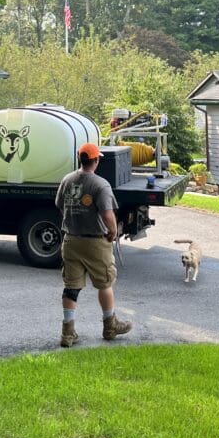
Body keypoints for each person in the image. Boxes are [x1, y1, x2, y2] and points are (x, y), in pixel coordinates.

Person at [55, 141, 133, 348]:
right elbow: (107, 214)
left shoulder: (67, 180)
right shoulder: (100, 185)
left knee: (71, 287)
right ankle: (110, 326)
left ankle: (67, 333)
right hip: (95, 242)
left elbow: (60, 205)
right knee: (104, 283)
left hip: (71, 241)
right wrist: (113, 231)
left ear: (80, 159)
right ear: (96, 160)